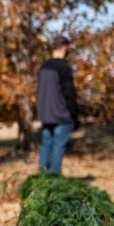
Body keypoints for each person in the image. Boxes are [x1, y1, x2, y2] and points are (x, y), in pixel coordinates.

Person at [36, 34, 78, 174]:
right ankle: (53, 177)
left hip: (45, 114)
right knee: (58, 146)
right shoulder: (63, 67)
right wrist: (74, 115)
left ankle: (42, 175)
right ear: (65, 47)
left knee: (46, 145)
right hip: (60, 113)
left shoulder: (43, 66)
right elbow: (69, 93)